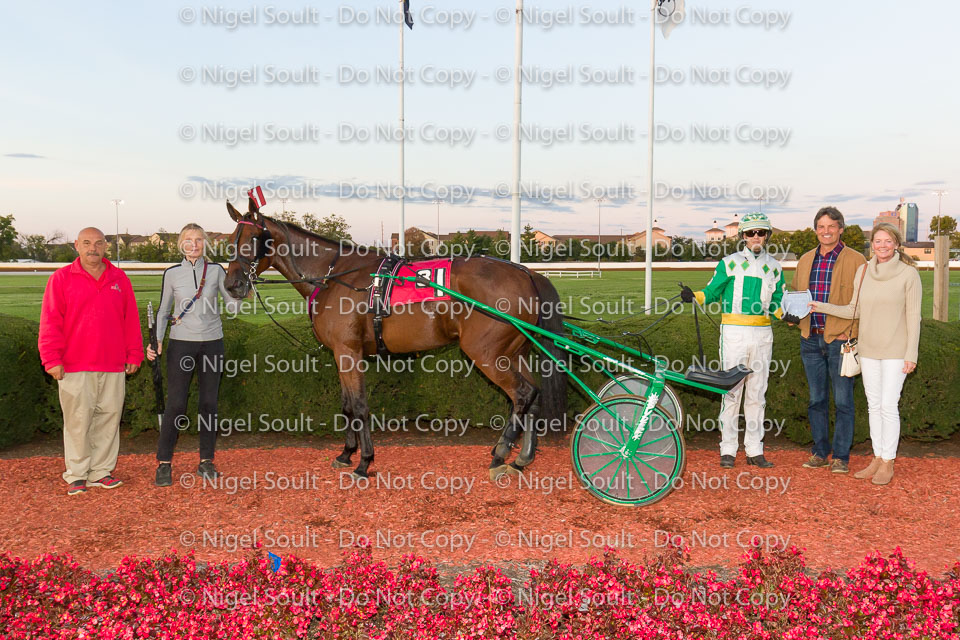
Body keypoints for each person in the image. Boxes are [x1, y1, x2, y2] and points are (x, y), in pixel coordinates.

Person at [810, 223, 921, 485]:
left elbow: (914, 317)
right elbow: (854, 310)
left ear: (896, 244)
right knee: (873, 405)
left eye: (888, 241)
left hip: (896, 351)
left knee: (888, 406)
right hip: (868, 349)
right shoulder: (863, 272)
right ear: (872, 245)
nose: (882, 246)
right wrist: (819, 306)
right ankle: (877, 457)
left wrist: (911, 354)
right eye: (878, 241)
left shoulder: (909, 274)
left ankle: (888, 461)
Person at [38, 227, 143, 495]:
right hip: (74, 365)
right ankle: (76, 474)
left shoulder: (119, 278)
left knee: (109, 420)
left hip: (113, 363)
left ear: (105, 246)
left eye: (98, 243)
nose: (92, 248)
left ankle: (101, 471)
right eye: (86, 243)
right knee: (78, 422)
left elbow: (130, 319)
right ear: (77, 245)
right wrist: (51, 358)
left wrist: (134, 353)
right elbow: (50, 321)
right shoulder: (61, 278)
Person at [681, 212, 787, 469]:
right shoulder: (728, 263)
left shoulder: (775, 267)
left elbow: (776, 303)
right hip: (734, 334)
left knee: (757, 394)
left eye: (761, 232)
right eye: (751, 233)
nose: (756, 237)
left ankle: (754, 449)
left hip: (763, 335)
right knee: (731, 392)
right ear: (742, 236)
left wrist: (787, 314)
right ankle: (728, 449)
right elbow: (711, 292)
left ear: (767, 235)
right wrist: (693, 296)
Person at [147, 224, 241, 486]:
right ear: (181, 244)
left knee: (209, 404)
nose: (195, 244)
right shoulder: (172, 274)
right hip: (181, 344)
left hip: (212, 343)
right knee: (176, 404)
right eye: (189, 240)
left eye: (199, 240)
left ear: (205, 244)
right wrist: (157, 340)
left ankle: (206, 460)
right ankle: (164, 463)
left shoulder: (216, 271)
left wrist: (241, 290)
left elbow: (232, 307)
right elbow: (164, 310)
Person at [791, 207, 867, 474]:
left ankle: (841, 457)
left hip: (840, 340)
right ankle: (820, 452)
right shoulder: (805, 259)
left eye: (831, 226)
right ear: (815, 230)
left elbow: (863, 303)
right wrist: (790, 314)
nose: (826, 231)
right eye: (821, 227)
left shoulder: (857, 260)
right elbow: (797, 294)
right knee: (816, 400)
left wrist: (852, 331)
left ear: (840, 229)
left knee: (843, 402)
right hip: (810, 339)